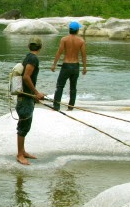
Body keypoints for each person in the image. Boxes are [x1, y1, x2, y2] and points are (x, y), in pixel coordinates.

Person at [16, 37, 45, 166]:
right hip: (25, 98)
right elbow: (26, 77)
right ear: (40, 47)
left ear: (29, 46)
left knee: (25, 126)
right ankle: (20, 155)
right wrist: (36, 93)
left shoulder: (28, 57)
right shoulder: (33, 58)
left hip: (26, 97)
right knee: (23, 126)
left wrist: (34, 95)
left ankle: (23, 151)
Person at [51, 21, 87, 111]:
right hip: (75, 66)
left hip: (66, 65)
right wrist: (84, 67)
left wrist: (54, 64)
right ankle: (70, 107)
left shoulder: (64, 39)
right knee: (73, 87)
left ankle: (56, 106)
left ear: (69, 30)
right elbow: (83, 55)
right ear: (77, 30)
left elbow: (59, 52)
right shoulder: (81, 41)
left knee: (60, 86)